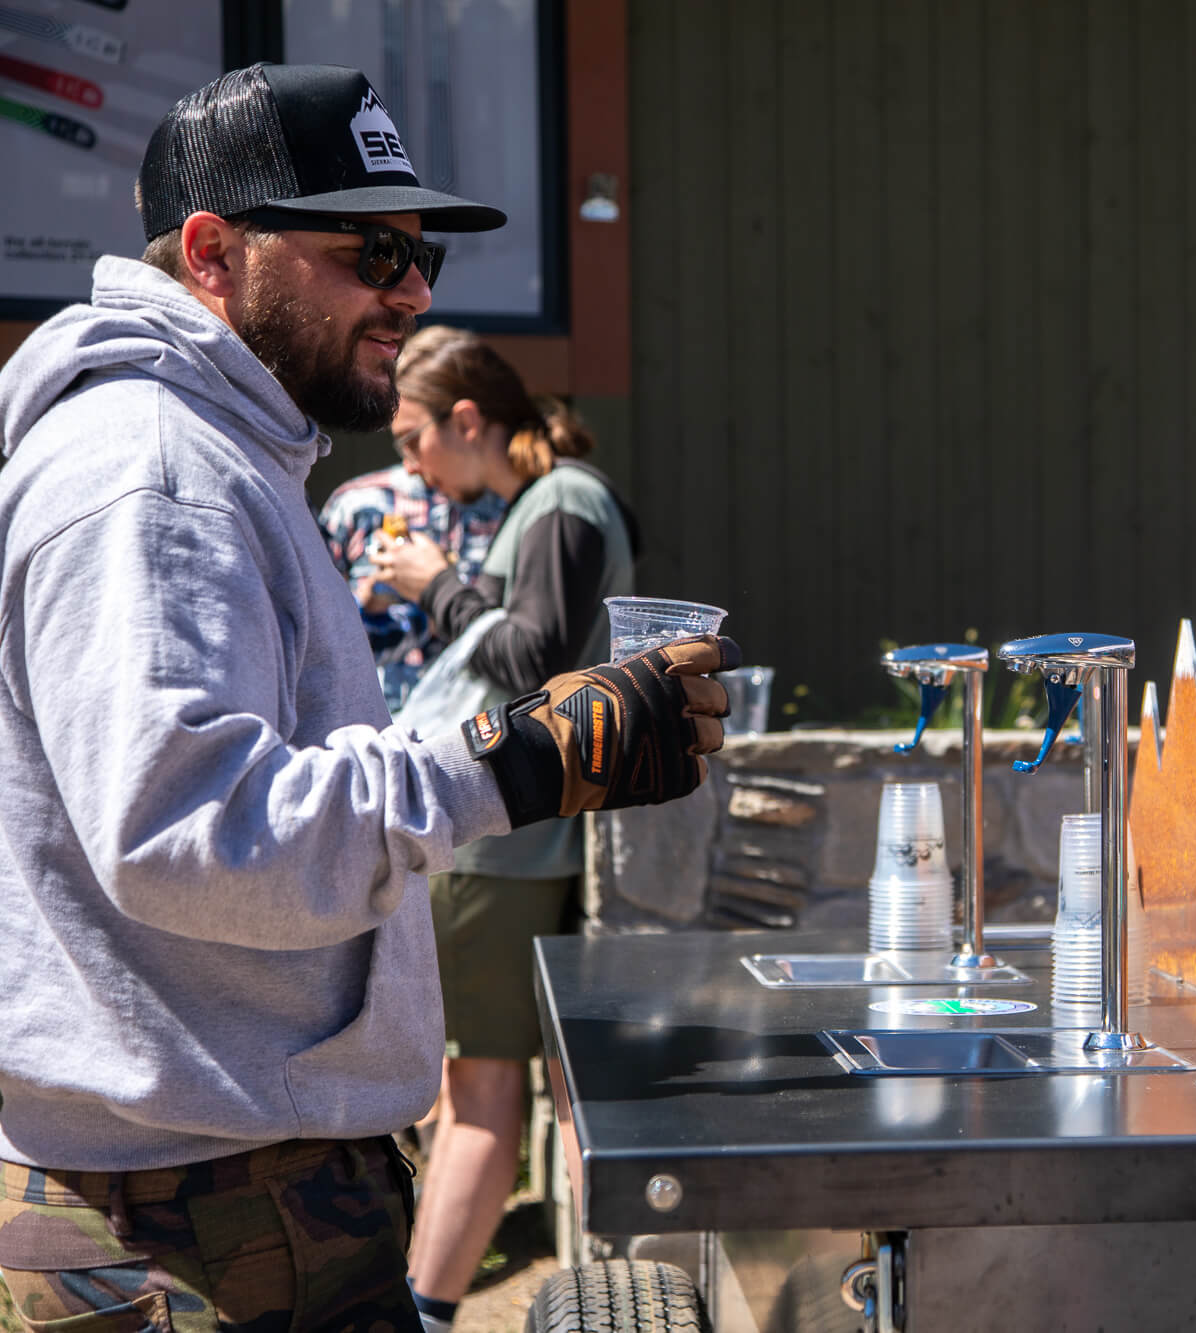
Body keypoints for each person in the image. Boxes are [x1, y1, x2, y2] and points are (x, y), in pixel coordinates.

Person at [0, 64, 732, 1328]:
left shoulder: (218, 449)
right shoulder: (158, 467)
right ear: (214, 254)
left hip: (216, 1189)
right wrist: (519, 761)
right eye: (374, 249)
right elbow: (190, 831)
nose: (416, 287)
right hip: (188, 1222)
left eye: (423, 250)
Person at [366, 326, 638, 1332]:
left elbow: (538, 665)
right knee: (478, 1082)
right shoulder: (544, 505)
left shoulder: (563, 501)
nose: (410, 465)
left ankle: (425, 1311)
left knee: (481, 1088)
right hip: (509, 839)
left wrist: (435, 582)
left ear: (466, 421)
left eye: (411, 439)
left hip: (506, 842)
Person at [319, 457, 506, 712]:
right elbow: (319, 643)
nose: (410, 464)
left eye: (415, 439)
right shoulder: (361, 501)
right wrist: (368, 607)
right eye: (403, 443)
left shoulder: (508, 503)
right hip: (376, 725)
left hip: (476, 722)